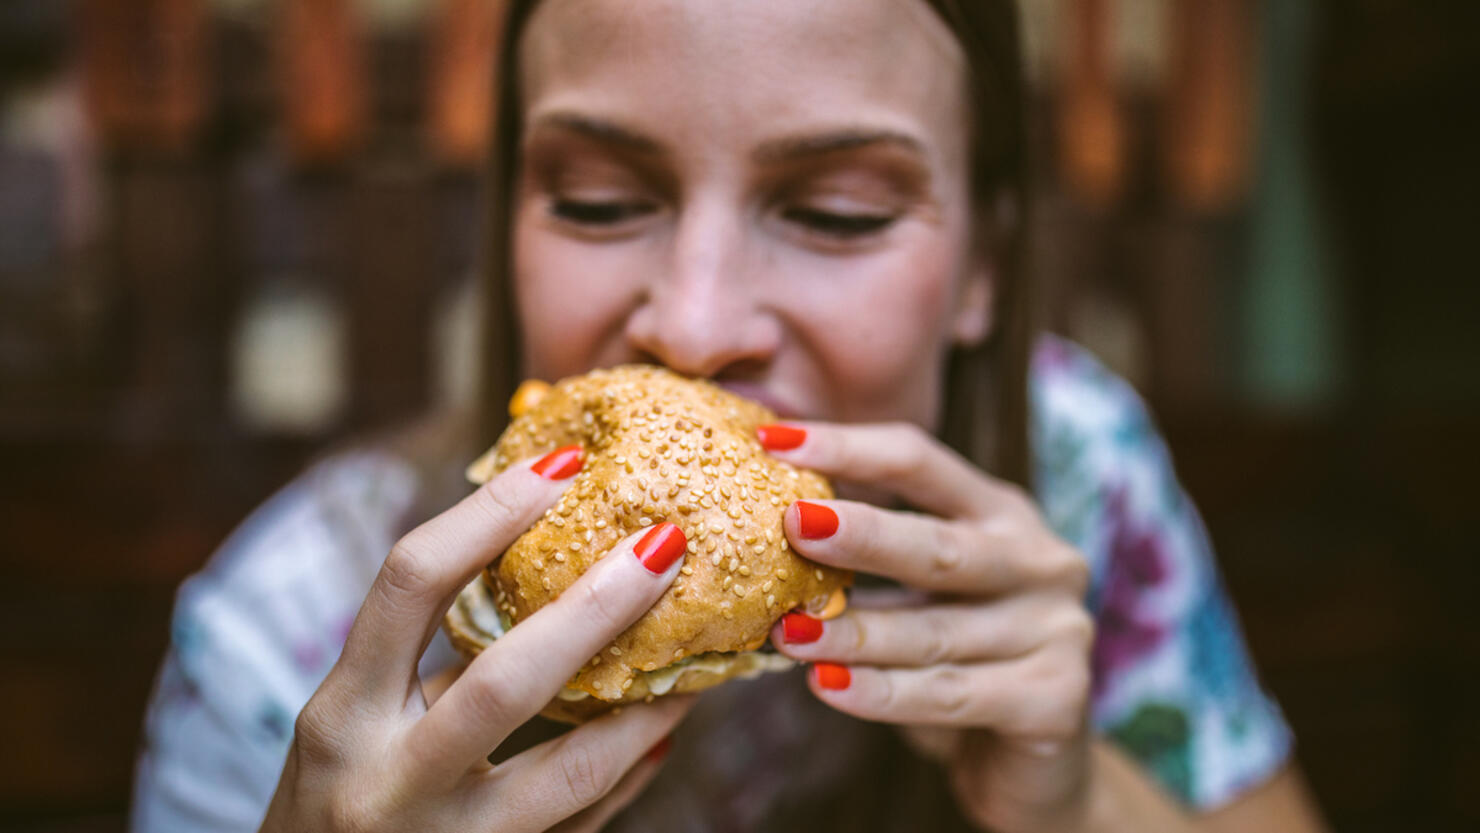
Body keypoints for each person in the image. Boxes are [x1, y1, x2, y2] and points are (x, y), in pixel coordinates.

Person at [131, 1, 1331, 831]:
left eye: (843, 211)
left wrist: (1081, 803)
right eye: (597, 201)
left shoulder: (1074, 472)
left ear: (986, 268)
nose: (696, 326)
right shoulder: (281, 637)